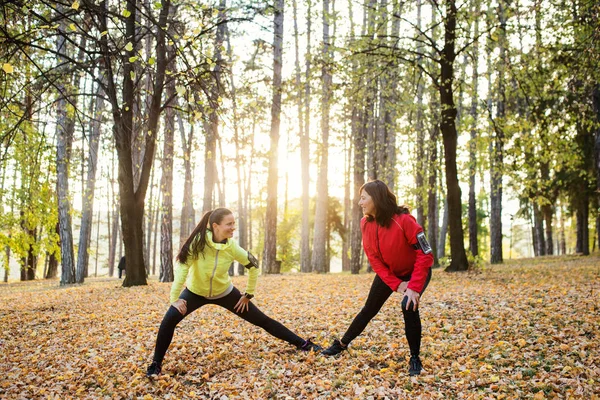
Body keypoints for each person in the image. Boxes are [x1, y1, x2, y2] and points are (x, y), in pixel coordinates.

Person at [146, 208, 321, 377]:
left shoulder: (232, 247)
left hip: (225, 293)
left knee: (262, 320)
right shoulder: (198, 243)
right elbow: (183, 269)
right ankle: (156, 364)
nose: (233, 228)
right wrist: (174, 299)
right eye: (228, 224)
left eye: (234, 223)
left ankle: (303, 344)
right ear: (216, 226)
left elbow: (253, 267)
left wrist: (248, 294)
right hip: (195, 292)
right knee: (169, 320)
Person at [321, 180, 433, 376]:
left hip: (416, 272)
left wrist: (413, 287)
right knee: (369, 309)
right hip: (390, 273)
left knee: (409, 306)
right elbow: (374, 258)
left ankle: (415, 359)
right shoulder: (366, 223)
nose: (360, 203)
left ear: (376, 199)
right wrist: (397, 285)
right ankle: (342, 344)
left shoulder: (405, 221)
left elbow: (426, 254)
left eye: (363, 198)